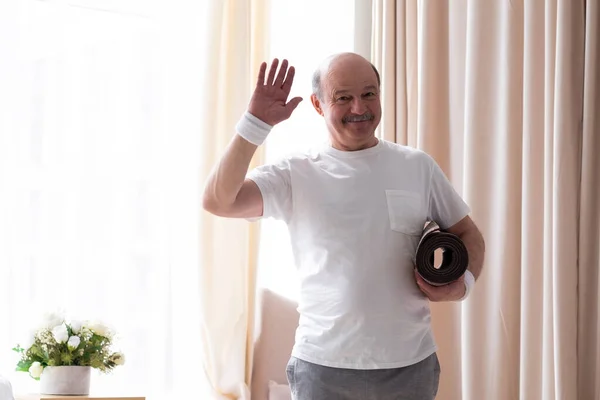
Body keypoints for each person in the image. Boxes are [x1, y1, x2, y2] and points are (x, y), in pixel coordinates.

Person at [203, 53, 485, 400]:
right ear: (318, 105)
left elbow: (467, 233)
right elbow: (219, 201)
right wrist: (254, 124)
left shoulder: (416, 166)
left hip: (410, 368)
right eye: (343, 97)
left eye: (369, 94)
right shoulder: (296, 173)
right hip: (322, 371)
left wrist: (464, 284)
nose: (359, 107)